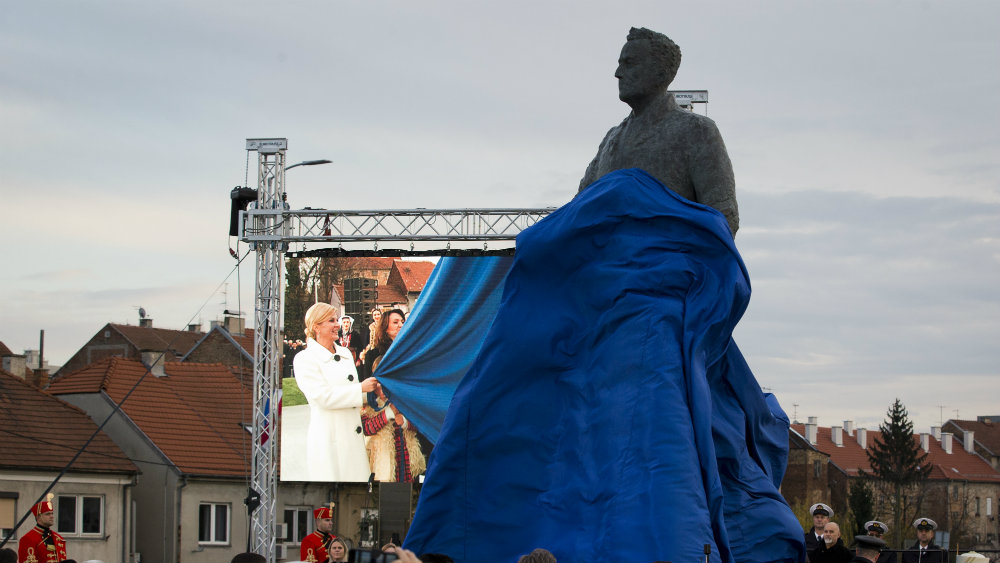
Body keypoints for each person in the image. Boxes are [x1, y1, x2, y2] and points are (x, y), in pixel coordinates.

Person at [578, 27, 739, 236]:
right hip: (607, 265)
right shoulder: (611, 139)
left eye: (629, 63)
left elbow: (723, 217)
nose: (618, 73)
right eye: (619, 64)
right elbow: (578, 212)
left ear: (660, 71)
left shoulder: (698, 131)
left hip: (670, 264)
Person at [293, 302, 380, 482]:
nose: (337, 325)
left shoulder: (345, 353)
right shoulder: (304, 359)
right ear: (316, 326)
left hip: (353, 442)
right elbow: (322, 398)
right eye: (331, 320)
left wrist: (374, 392)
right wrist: (360, 389)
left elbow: (354, 395)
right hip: (329, 442)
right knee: (331, 502)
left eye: (337, 320)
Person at [361, 355, 426, 482]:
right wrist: (388, 414)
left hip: (406, 460)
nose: (384, 390)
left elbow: (419, 423)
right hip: (383, 463)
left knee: (406, 490)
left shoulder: (404, 401)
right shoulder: (368, 404)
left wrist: (405, 422)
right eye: (380, 385)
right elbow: (366, 428)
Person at [360, 309, 405, 382]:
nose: (401, 325)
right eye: (395, 322)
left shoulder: (410, 350)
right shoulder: (373, 355)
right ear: (385, 327)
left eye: (403, 322)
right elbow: (370, 385)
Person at [17, 498, 67, 563]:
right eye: (47, 514)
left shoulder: (59, 538)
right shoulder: (28, 538)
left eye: (52, 513)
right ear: (38, 517)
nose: (52, 516)